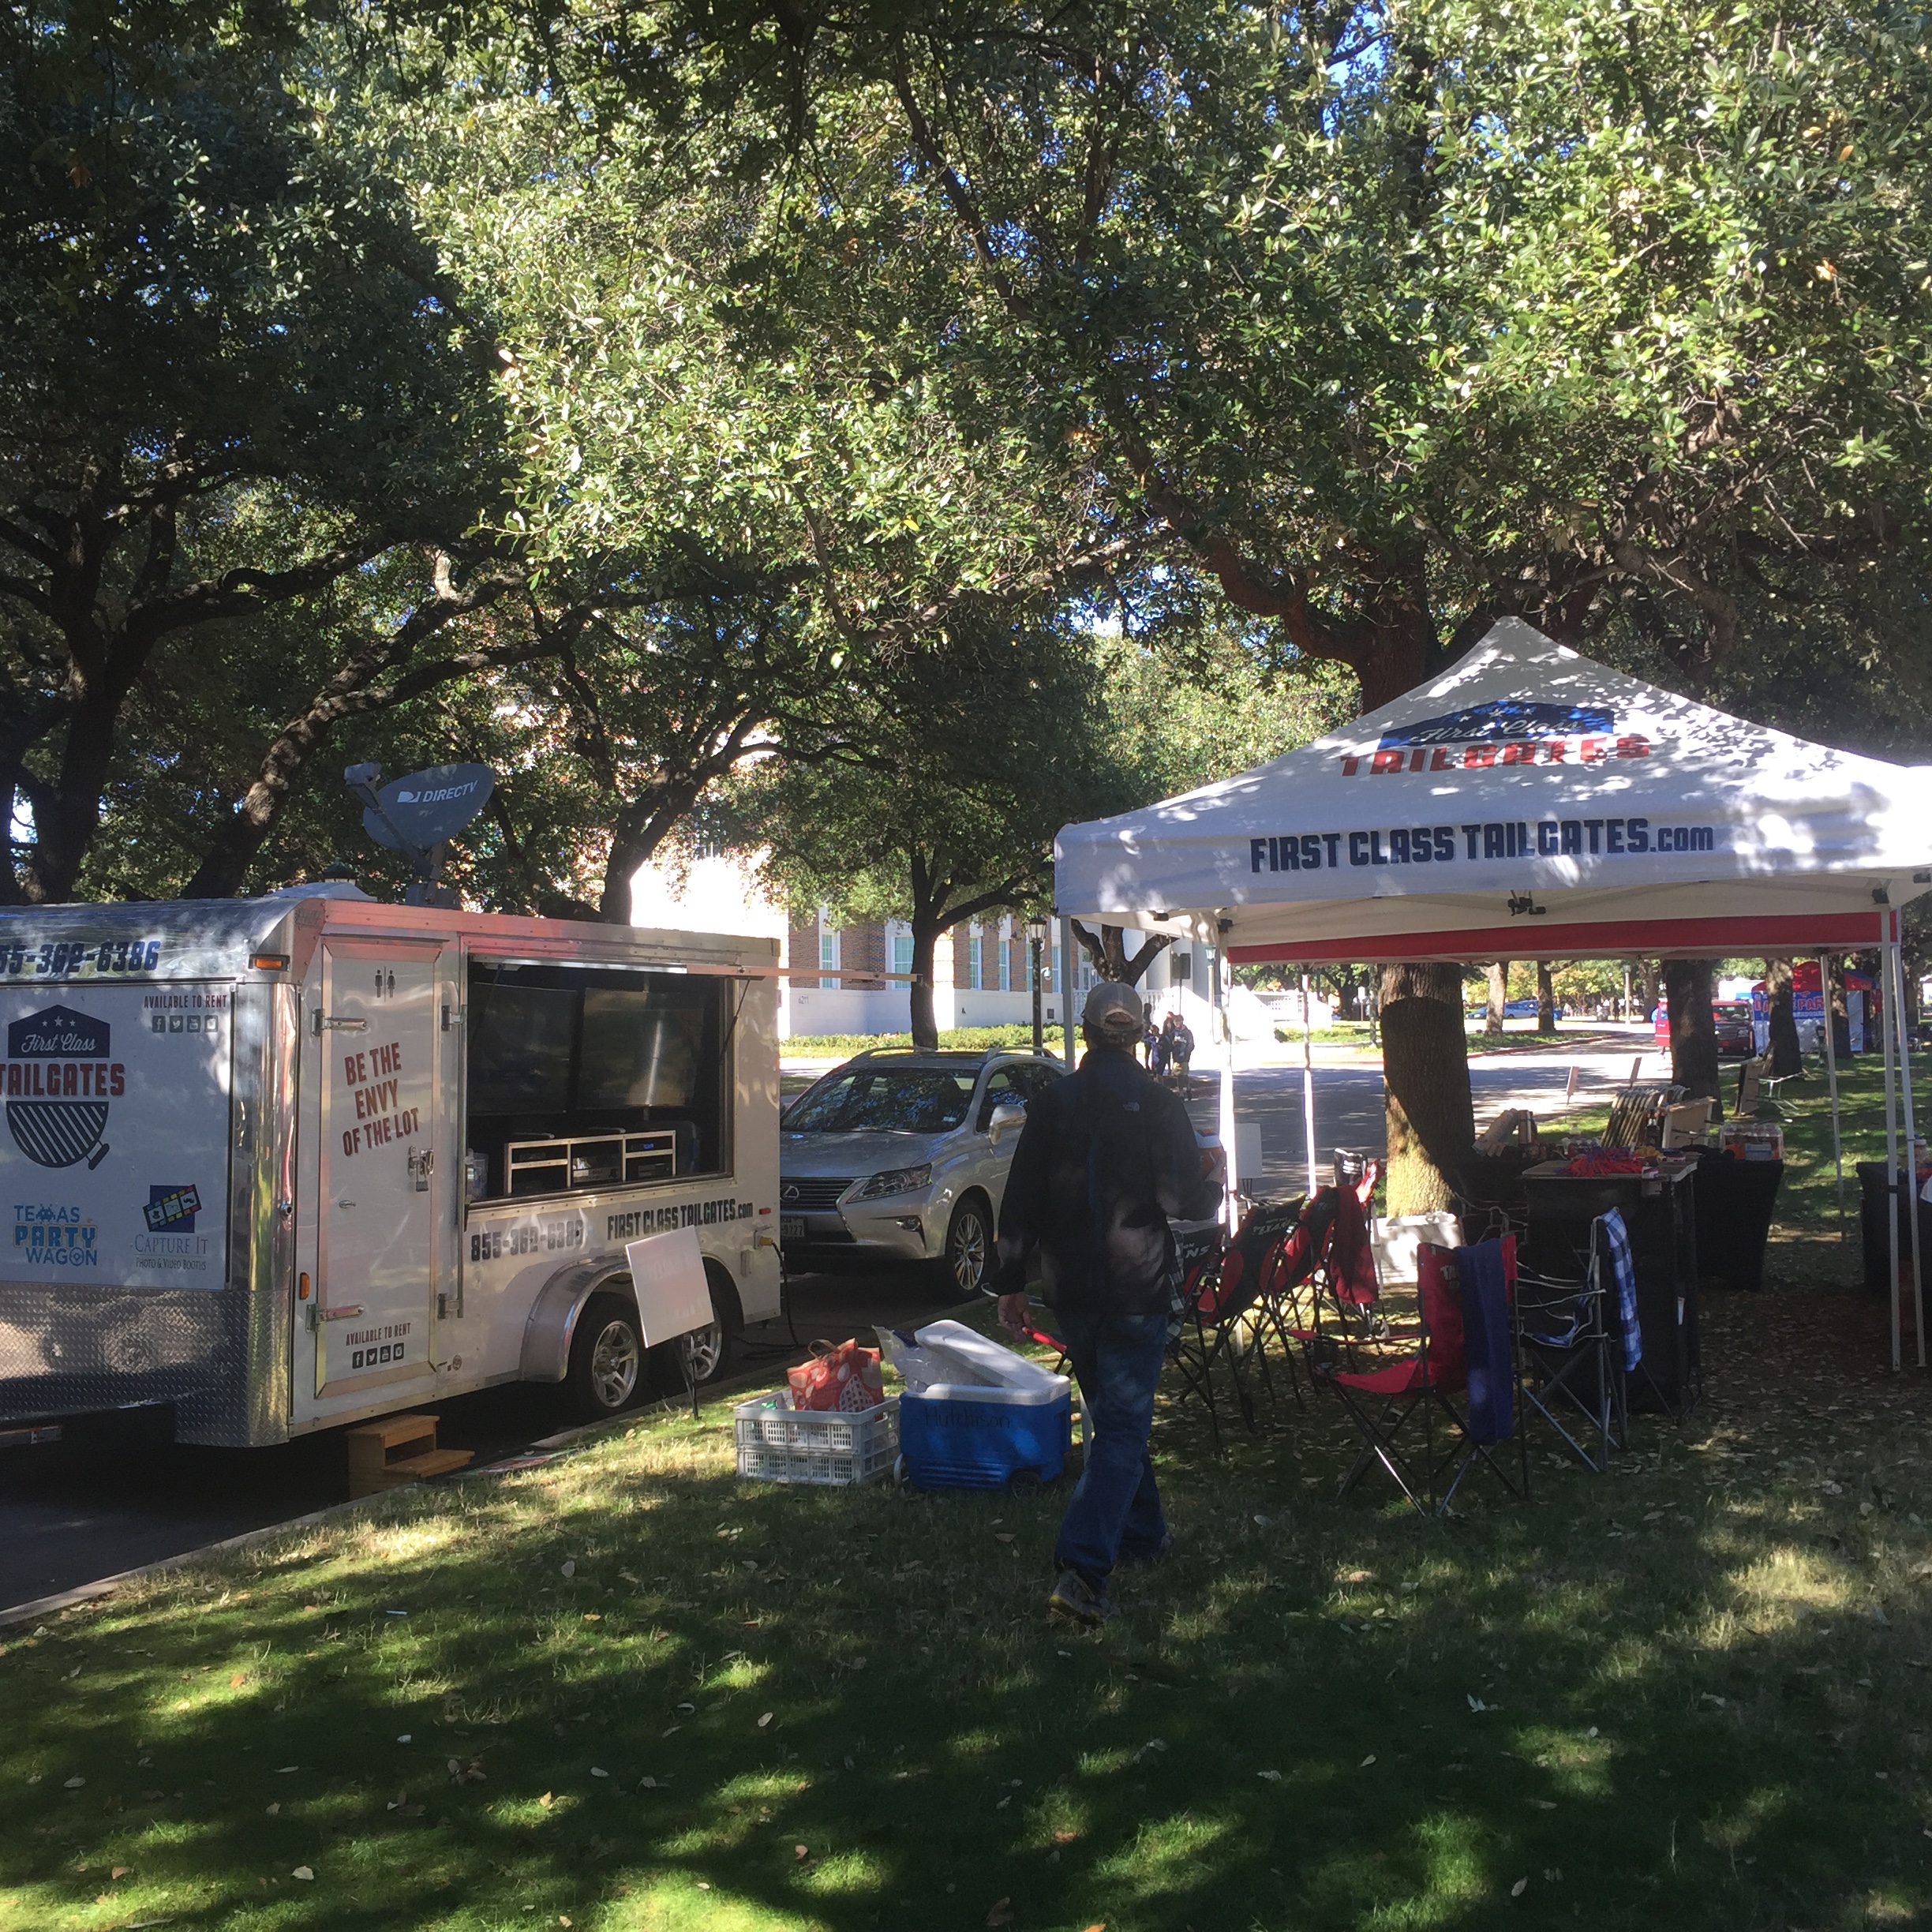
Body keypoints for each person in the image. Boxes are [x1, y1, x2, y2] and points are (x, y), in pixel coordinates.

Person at [993, 981, 1224, 1626]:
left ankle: (1145, 1537)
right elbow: (1184, 1202)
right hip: (1135, 1286)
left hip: (1071, 1289)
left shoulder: (1052, 1103)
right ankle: (1083, 1569)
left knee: (1117, 1416)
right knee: (1123, 1427)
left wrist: (1010, 1281)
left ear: (1087, 1032)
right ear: (1143, 1033)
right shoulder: (1158, 1104)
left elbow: (1020, 1200)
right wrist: (1212, 1177)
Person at [1169, 1013, 1196, 1097]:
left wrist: (1187, 1053)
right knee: (1178, 1075)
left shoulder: (1187, 1032)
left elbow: (1191, 1044)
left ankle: (1188, 1088)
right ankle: (1181, 1093)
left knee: (1184, 1075)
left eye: (1178, 1021)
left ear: (1182, 1021)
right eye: (1175, 1022)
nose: (1177, 1023)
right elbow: (1170, 1043)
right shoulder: (1173, 1032)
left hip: (1185, 1056)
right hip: (1176, 1057)